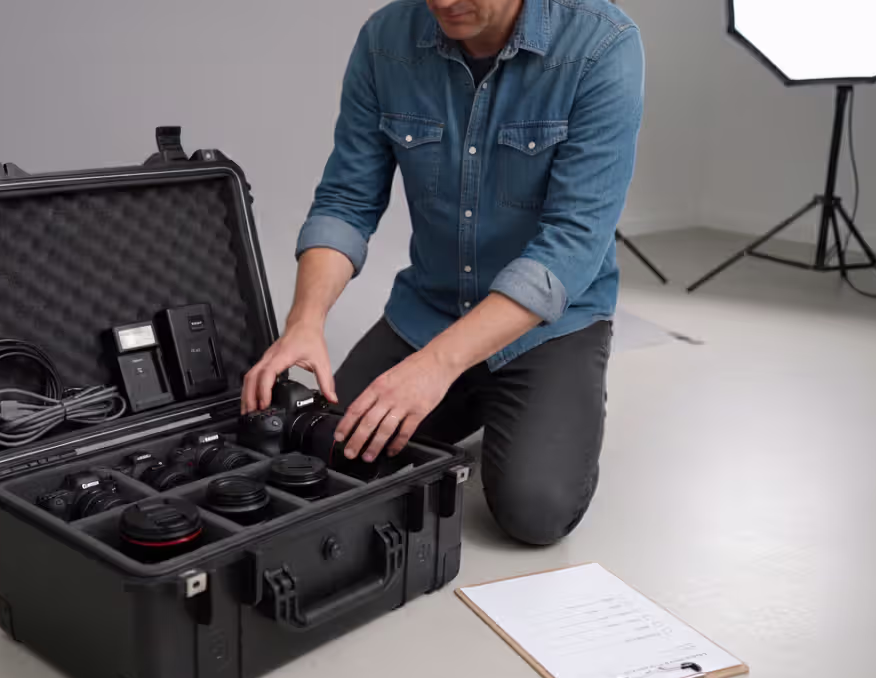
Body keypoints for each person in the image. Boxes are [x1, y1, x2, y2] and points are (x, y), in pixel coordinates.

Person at [242, 0, 644, 545]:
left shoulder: (603, 43)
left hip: (551, 326)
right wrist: (305, 321)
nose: (443, 1)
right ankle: (475, 392)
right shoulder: (386, 38)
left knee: (534, 512)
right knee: (322, 451)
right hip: (429, 311)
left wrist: (436, 366)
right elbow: (346, 201)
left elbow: (573, 243)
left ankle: (540, 396)